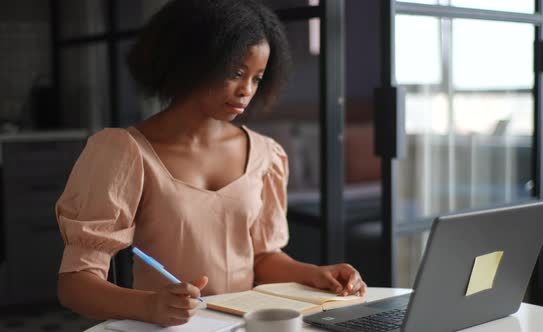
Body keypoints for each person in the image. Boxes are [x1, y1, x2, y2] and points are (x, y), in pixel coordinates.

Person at [55, 0, 366, 327]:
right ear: (192, 60)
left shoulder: (264, 154)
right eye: (235, 72)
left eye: (257, 78)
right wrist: (149, 306)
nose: (246, 90)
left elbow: (262, 258)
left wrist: (316, 274)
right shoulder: (123, 152)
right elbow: (75, 286)